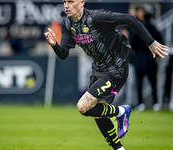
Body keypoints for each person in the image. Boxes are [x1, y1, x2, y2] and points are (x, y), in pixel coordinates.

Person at [44, 0, 169, 150]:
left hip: (116, 67)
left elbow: (129, 19)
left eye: (71, 1)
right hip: (98, 69)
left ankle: (121, 111)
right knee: (97, 112)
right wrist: (54, 45)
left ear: (82, 2)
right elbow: (63, 54)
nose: (66, 5)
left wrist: (150, 42)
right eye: (64, 1)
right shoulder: (67, 24)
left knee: (83, 106)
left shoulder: (97, 17)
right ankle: (119, 148)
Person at [130, 5, 164, 112]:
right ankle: (155, 104)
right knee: (152, 83)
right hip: (150, 59)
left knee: (140, 83)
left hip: (140, 60)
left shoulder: (137, 30)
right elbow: (160, 44)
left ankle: (141, 104)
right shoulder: (154, 29)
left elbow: (132, 45)